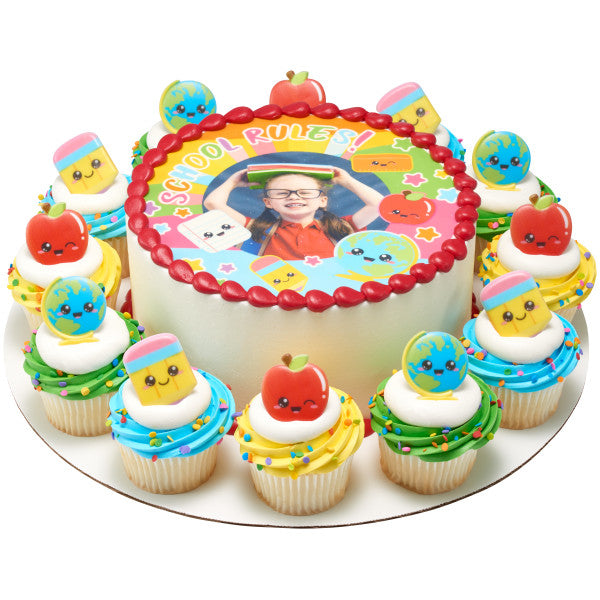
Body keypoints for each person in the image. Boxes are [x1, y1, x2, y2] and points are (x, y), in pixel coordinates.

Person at [203, 166, 383, 260]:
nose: (294, 197)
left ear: (322, 200)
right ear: (268, 202)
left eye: (305, 192)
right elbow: (213, 203)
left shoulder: (340, 228)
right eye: (282, 193)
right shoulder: (255, 230)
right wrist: (232, 182)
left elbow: (378, 205)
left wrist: (347, 180)